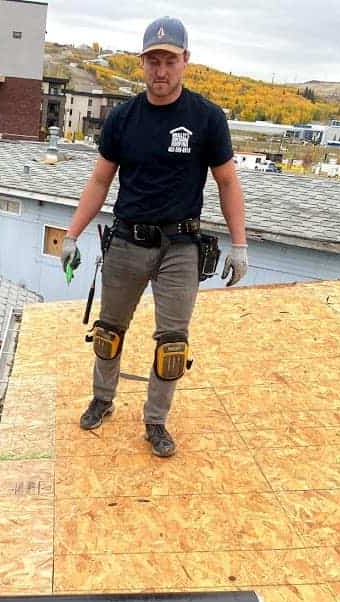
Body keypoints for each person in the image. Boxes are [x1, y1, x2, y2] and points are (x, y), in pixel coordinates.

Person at [61, 16, 247, 457]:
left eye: (169, 60)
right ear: (142, 63)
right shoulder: (123, 119)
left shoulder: (206, 119)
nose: (160, 71)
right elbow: (99, 182)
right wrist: (71, 235)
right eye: (152, 61)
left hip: (181, 247)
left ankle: (156, 422)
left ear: (186, 60)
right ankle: (103, 400)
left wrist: (239, 245)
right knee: (108, 331)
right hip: (127, 241)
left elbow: (227, 183)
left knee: (172, 345)